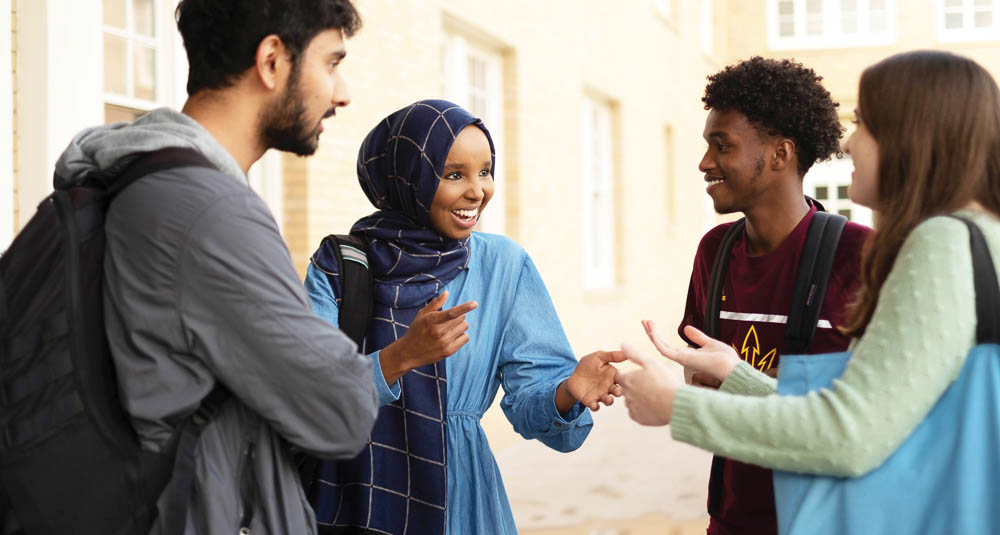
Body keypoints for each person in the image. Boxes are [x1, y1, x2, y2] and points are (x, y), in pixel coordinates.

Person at [619, 48, 1000, 527]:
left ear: (914, 136)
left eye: (863, 123)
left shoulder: (939, 242)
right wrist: (735, 375)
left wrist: (675, 407)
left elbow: (848, 435)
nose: (849, 144)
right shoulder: (980, 235)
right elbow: (877, 412)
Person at [51, 1, 379, 532]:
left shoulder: (146, 178)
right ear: (272, 61)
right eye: (331, 63)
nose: (342, 93)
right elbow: (343, 410)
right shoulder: (209, 211)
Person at [303, 99, 625, 535]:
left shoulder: (504, 267)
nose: (477, 191)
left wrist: (567, 392)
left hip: (461, 504)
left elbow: (536, 411)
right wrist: (400, 357)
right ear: (407, 178)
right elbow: (306, 395)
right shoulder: (342, 265)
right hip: (354, 495)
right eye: (453, 174)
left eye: (485, 171)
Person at [653, 57, 872, 535]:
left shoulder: (859, 255)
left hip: (828, 519)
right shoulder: (715, 250)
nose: (704, 162)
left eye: (721, 145)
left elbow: (860, 406)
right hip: (729, 516)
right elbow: (701, 369)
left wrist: (735, 378)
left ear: (780, 155)